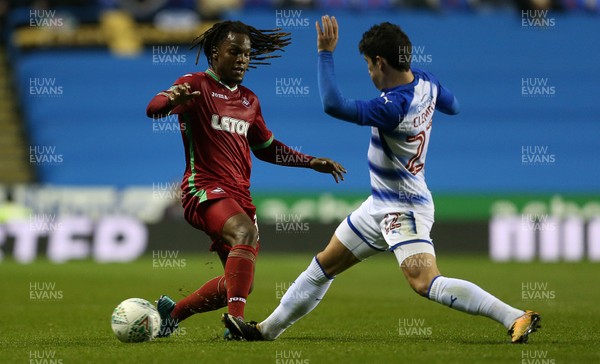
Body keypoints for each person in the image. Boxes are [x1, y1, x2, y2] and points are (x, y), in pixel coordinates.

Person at [222, 15, 541, 344]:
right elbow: (454, 106)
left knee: (425, 282)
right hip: (380, 204)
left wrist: (325, 52)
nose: (369, 73)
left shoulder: (392, 107)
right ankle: (264, 332)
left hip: (404, 209)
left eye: (368, 66)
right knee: (324, 264)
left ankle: (513, 315)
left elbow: (333, 104)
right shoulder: (426, 83)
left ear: (379, 62)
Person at [146, 20, 347, 337]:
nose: (242, 59)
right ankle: (237, 322)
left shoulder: (249, 100)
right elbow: (153, 108)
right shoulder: (195, 84)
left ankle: (173, 315)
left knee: (239, 283)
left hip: (239, 196)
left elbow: (266, 148)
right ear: (216, 53)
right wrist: (170, 101)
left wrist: (311, 162)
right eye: (234, 52)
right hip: (203, 189)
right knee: (244, 234)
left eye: (247, 54)